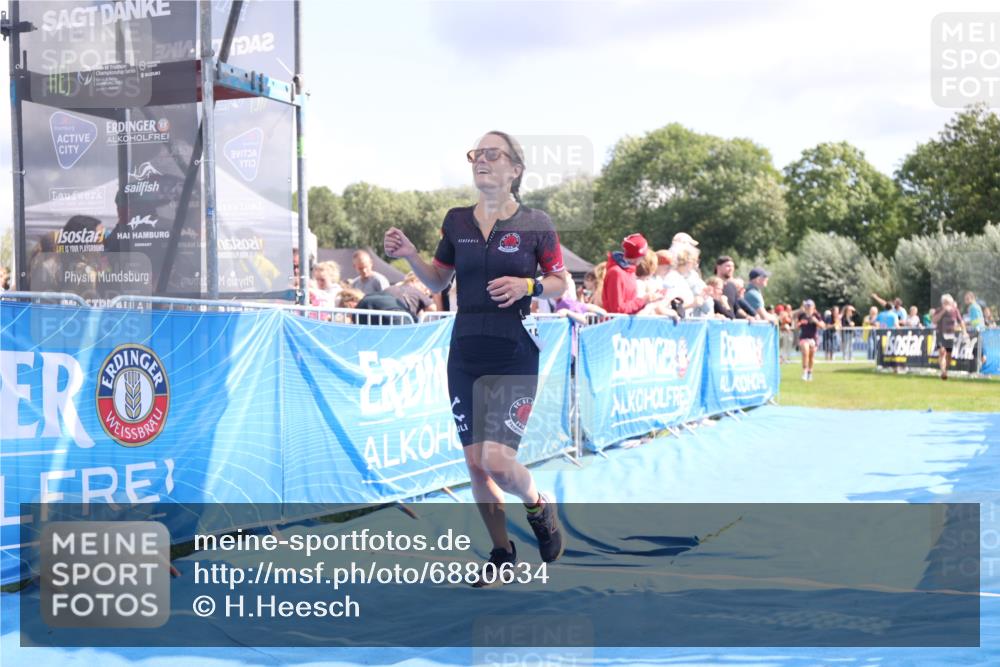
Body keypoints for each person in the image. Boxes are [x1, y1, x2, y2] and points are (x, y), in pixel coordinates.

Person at [383, 130, 567, 584]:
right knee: (475, 465)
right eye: (476, 154)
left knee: (498, 461)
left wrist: (530, 287)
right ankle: (502, 552)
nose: (481, 160)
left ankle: (539, 507)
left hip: (513, 352)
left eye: (492, 154)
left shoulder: (536, 223)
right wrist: (409, 256)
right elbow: (438, 282)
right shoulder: (456, 221)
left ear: (514, 169)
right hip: (465, 352)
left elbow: (563, 283)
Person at [602, 233, 660, 314]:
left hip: (626, 324)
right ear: (639, 255)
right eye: (644, 255)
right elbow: (617, 309)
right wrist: (643, 300)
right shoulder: (616, 273)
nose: (644, 258)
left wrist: (647, 302)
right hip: (616, 325)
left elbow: (630, 305)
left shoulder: (630, 271)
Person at [932, 293, 966, 380]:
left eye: (948, 302)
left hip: (950, 335)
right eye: (945, 302)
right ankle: (943, 371)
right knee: (942, 352)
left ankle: (945, 370)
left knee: (949, 355)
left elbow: (961, 321)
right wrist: (943, 311)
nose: (946, 304)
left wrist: (964, 331)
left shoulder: (955, 311)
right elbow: (934, 320)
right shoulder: (939, 310)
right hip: (940, 334)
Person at [796, 299, 825, 381]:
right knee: (805, 352)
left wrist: (815, 321)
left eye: (810, 306)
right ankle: (804, 372)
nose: (808, 308)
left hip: (813, 338)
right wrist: (799, 324)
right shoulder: (801, 315)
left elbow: (823, 325)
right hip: (804, 337)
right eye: (807, 306)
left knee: (811, 356)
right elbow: (796, 325)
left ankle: (810, 372)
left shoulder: (816, 315)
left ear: (813, 307)